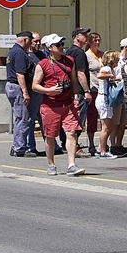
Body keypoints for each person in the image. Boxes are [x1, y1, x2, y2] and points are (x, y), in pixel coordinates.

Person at [31, 34, 85, 176]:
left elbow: (73, 81)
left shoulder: (70, 61)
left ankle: (71, 165)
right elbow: (35, 85)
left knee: (71, 132)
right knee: (50, 136)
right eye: (58, 45)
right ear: (49, 48)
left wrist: (75, 96)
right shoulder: (42, 64)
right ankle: (51, 164)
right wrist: (50, 90)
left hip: (68, 103)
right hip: (50, 105)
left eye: (62, 44)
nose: (62, 47)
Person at [5, 31, 39, 157]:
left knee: (22, 118)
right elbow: (20, 74)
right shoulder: (19, 53)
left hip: (14, 86)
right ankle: (19, 148)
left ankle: (17, 146)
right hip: (18, 87)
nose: (31, 44)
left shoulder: (14, 51)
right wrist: (25, 92)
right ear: (25, 40)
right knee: (23, 118)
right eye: (30, 41)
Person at [63, 28, 93, 157]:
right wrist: (87, 91)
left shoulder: (69, 51)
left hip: (71, 91)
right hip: (79, 91)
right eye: (84, 35)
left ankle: (69, 144)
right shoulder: (80, 53)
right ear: (76, 37)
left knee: (71, 119)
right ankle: (74, 146)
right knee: (78, 119)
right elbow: (80, 73)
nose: (87, 37)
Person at [93, 51, 122, 159]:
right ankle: (103, 151)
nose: (118, 62)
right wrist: (111, 76)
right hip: (104, 99)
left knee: (111, 125)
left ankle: (100, 148)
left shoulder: (110, 69)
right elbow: (100, 75)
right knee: (105, 127)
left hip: (105, 99)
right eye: (116, 60)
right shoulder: (107, 69)